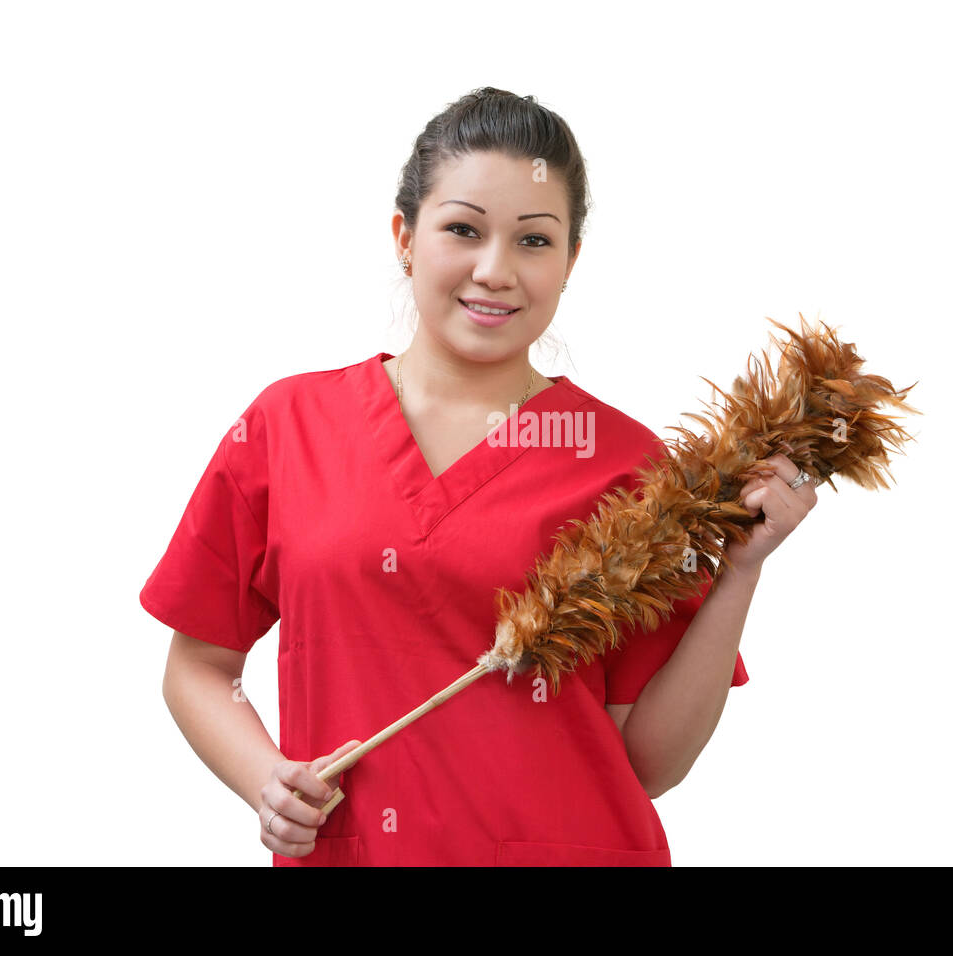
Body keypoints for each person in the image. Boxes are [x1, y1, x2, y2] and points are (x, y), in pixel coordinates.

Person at [141, 87, 818, 866]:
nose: (495, 271)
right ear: (405, 236)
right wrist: (267, 780)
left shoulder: (628, 467)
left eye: (534, 241)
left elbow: (650, 764)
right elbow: (199, 663)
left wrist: (737, 575)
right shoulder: (285, 427)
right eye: (463, 229)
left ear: (569, 262)